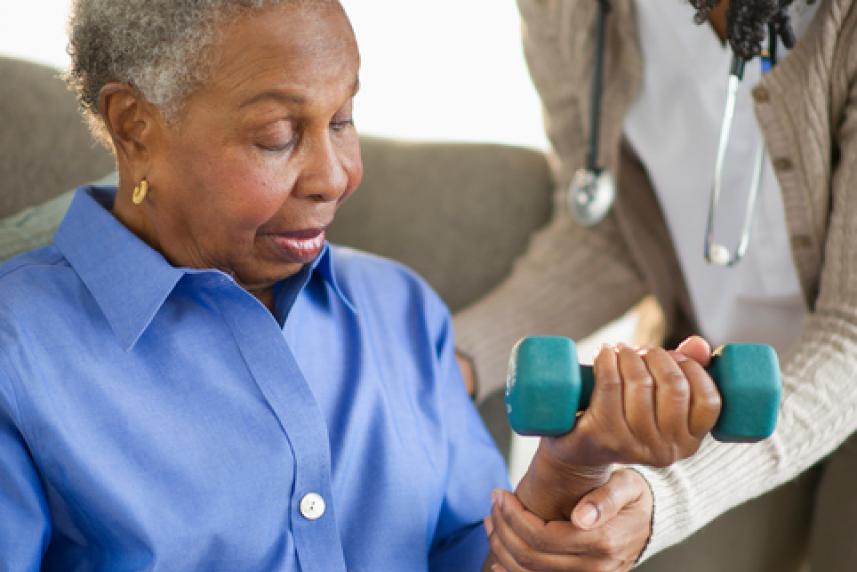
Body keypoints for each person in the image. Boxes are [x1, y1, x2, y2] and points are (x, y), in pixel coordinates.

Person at [0, 1, 725, 570]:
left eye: (343, 118)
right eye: (278, 134)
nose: (336, 176)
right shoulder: (19, 350)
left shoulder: (401, 309)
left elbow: (466, 558)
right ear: (134, 127)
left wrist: (573, 464)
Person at [457, 0, 857, 570]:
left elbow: (852, 327)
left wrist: (666, 503)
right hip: (703, 388)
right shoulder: (565, 11)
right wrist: (450, 358)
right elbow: (609, 232)